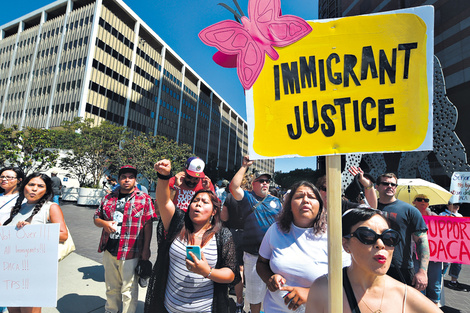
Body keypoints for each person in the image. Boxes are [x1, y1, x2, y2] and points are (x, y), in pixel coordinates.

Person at [306, 207, 442, 313]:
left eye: (389, 237)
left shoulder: (405, 295)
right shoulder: (324, 289)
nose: (380, 244)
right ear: (346, 244)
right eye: (367, 236)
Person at [145, 159, 238, 313]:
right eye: (195, 200)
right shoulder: (177, 223)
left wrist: (207, 272)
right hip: (169, 307)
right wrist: (164, 176)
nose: (199, 204)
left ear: (214, 211)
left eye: (204, 202)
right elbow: (163, 202)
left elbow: (230, 274)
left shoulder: (222, 235)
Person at [256, 181, 350, 312]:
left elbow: (347, 279)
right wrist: (269, 278)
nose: (305, 200)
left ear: (320, 205)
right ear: (289, 205)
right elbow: (261, 263)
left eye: (312, 197)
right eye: (299, 196)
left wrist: (312, 293)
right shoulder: (275, 230)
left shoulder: (333, 236)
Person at [94, 165, 157, 313]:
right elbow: (96, 217)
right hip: (110, 250)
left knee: (129, 289)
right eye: (124, 177)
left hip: (131, 251)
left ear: (135, 180)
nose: (127, 180)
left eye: (130, 177)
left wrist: (146, 249)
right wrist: (104, 223)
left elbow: (148, 225)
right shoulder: (108, 198)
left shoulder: (144, 199)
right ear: (118, 179)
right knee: (111, 287)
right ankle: (111, 310)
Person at [3, 172, 69, 313]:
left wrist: (32, 231)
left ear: (46, 190)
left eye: (40, 186)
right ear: (24, 186)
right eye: (31, 184)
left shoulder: (50, 207)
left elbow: (63, 235)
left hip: (33, 271)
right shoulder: (17, 207)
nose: (34, 189)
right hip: (11, 269)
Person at [229, 155, 282, 313]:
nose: (265, 183)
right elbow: (233, 187)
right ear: (253, 184)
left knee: (276, 292)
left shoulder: (276, 201)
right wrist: (244, 165)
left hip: (274, 255)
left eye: (267, 181)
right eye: (261, 180)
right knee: (254, 296)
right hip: (253, 255)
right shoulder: (248, 198)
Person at [376, 173, 429, 290]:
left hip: (400, 268)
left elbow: (422, 241)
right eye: (385, 183)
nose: (390, 186)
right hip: (373, 265)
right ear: (377, 186)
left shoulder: (410, 210)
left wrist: (422, 271)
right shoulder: (370, 208)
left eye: (393, 184)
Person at [220, 173, 253, 313]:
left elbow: (224, 216)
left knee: (237, 268)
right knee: (250, 269)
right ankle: (253, 304)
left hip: (233, 234)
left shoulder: (229, 197)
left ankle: (239, 302)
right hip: (250, 235)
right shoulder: (252, 198)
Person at [412, 194, 442, 305]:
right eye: (419, 199)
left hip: (435, 256)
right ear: (414, 202)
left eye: (426, 200)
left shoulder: (436, 217)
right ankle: (420, 306)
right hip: (416, 254)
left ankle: (434, 307)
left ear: (429, 203)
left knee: (435, 283)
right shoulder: (410, 215)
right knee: (419, 282)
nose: (423, 202)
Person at [440, 202, 466, 291]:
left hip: (457, 242)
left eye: (458, 205)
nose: (456, 206)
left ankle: (453, 281)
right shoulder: (442, 214)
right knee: (445, 262)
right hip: (446, 242)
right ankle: (440, 277)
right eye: (454, 204)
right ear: (448, 205)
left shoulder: (460, 215)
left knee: (457, 263)